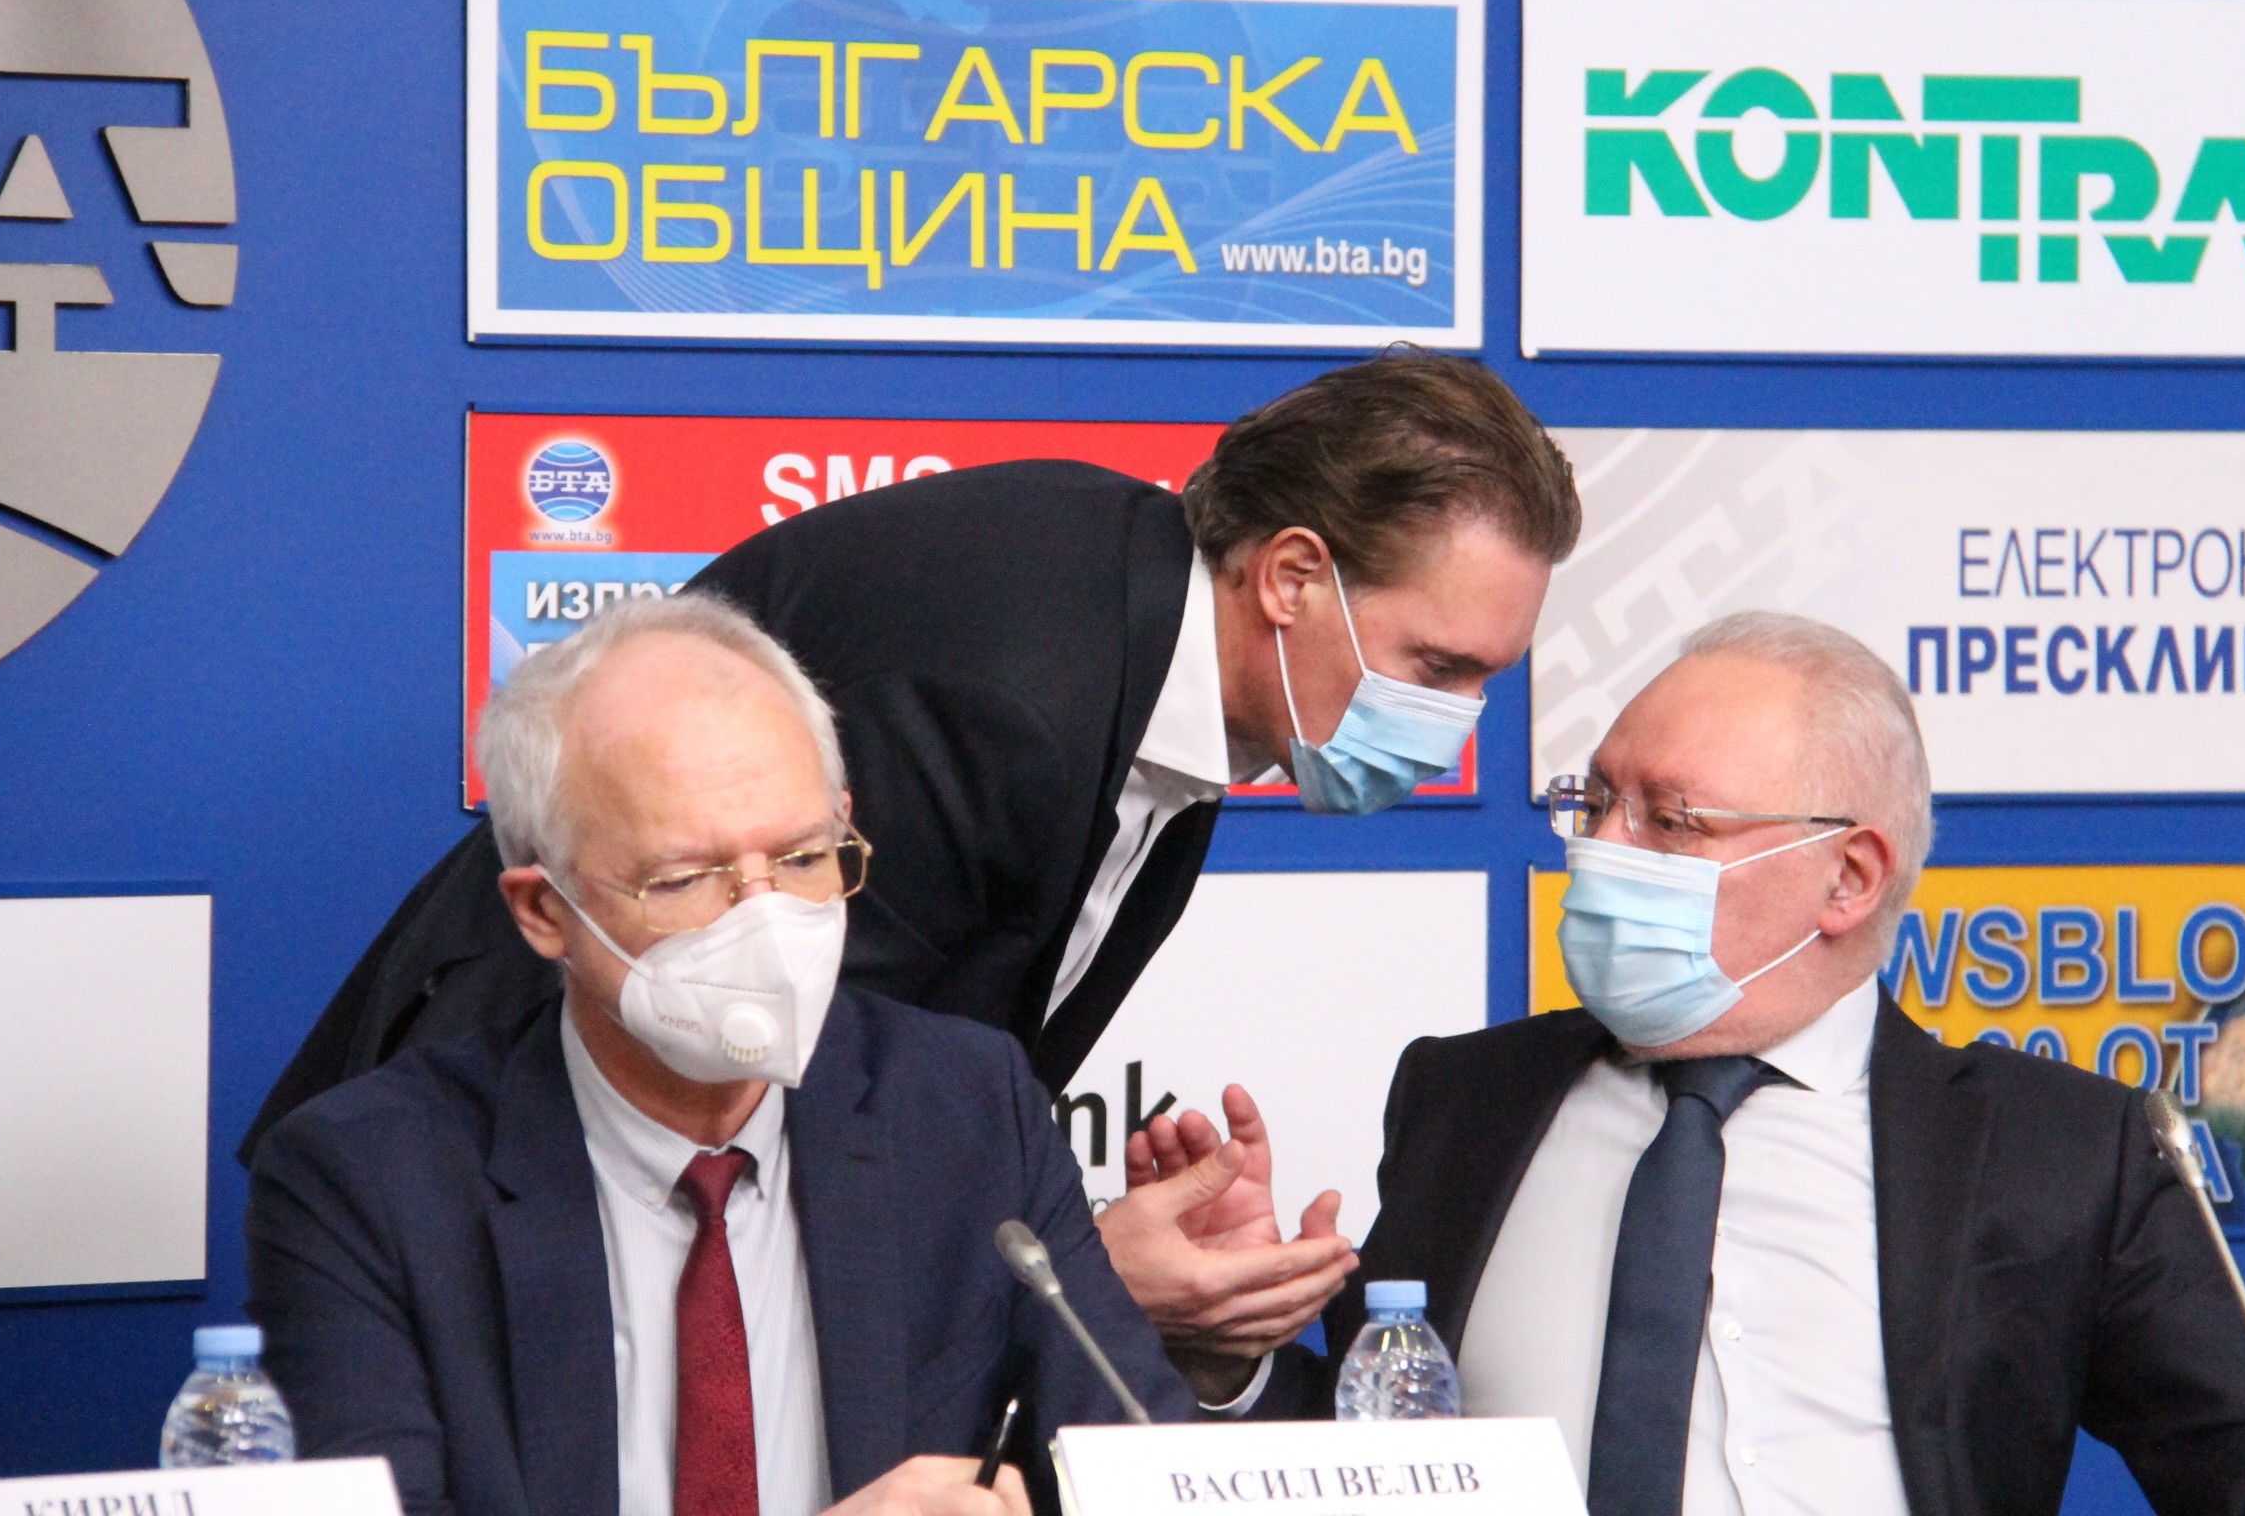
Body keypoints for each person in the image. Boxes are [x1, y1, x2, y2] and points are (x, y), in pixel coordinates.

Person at [244, 346, 1580, 1361]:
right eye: (1436, 668)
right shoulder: (1015, 692)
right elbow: (781, 1087)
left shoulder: (1152, 652)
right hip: (494, 1192)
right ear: (1289, 576)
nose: (1456, 724)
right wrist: (1080, 1274)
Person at [1257, 612, 2245, 1516]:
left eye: (1672, 820)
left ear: (1848, 878)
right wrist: (1229, 1361)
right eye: (1598, 801)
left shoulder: (2060, 1149)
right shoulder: (1465, 1098)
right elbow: (1366, 1439)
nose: (1600, 849)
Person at [246, 595, 1224, 1516]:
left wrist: (1223, 1365)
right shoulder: (367, 1180)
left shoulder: (965, 1109)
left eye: (803, 859)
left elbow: (1134, 1461)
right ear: (544, 910)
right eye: (684, 879)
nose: (764, 922)